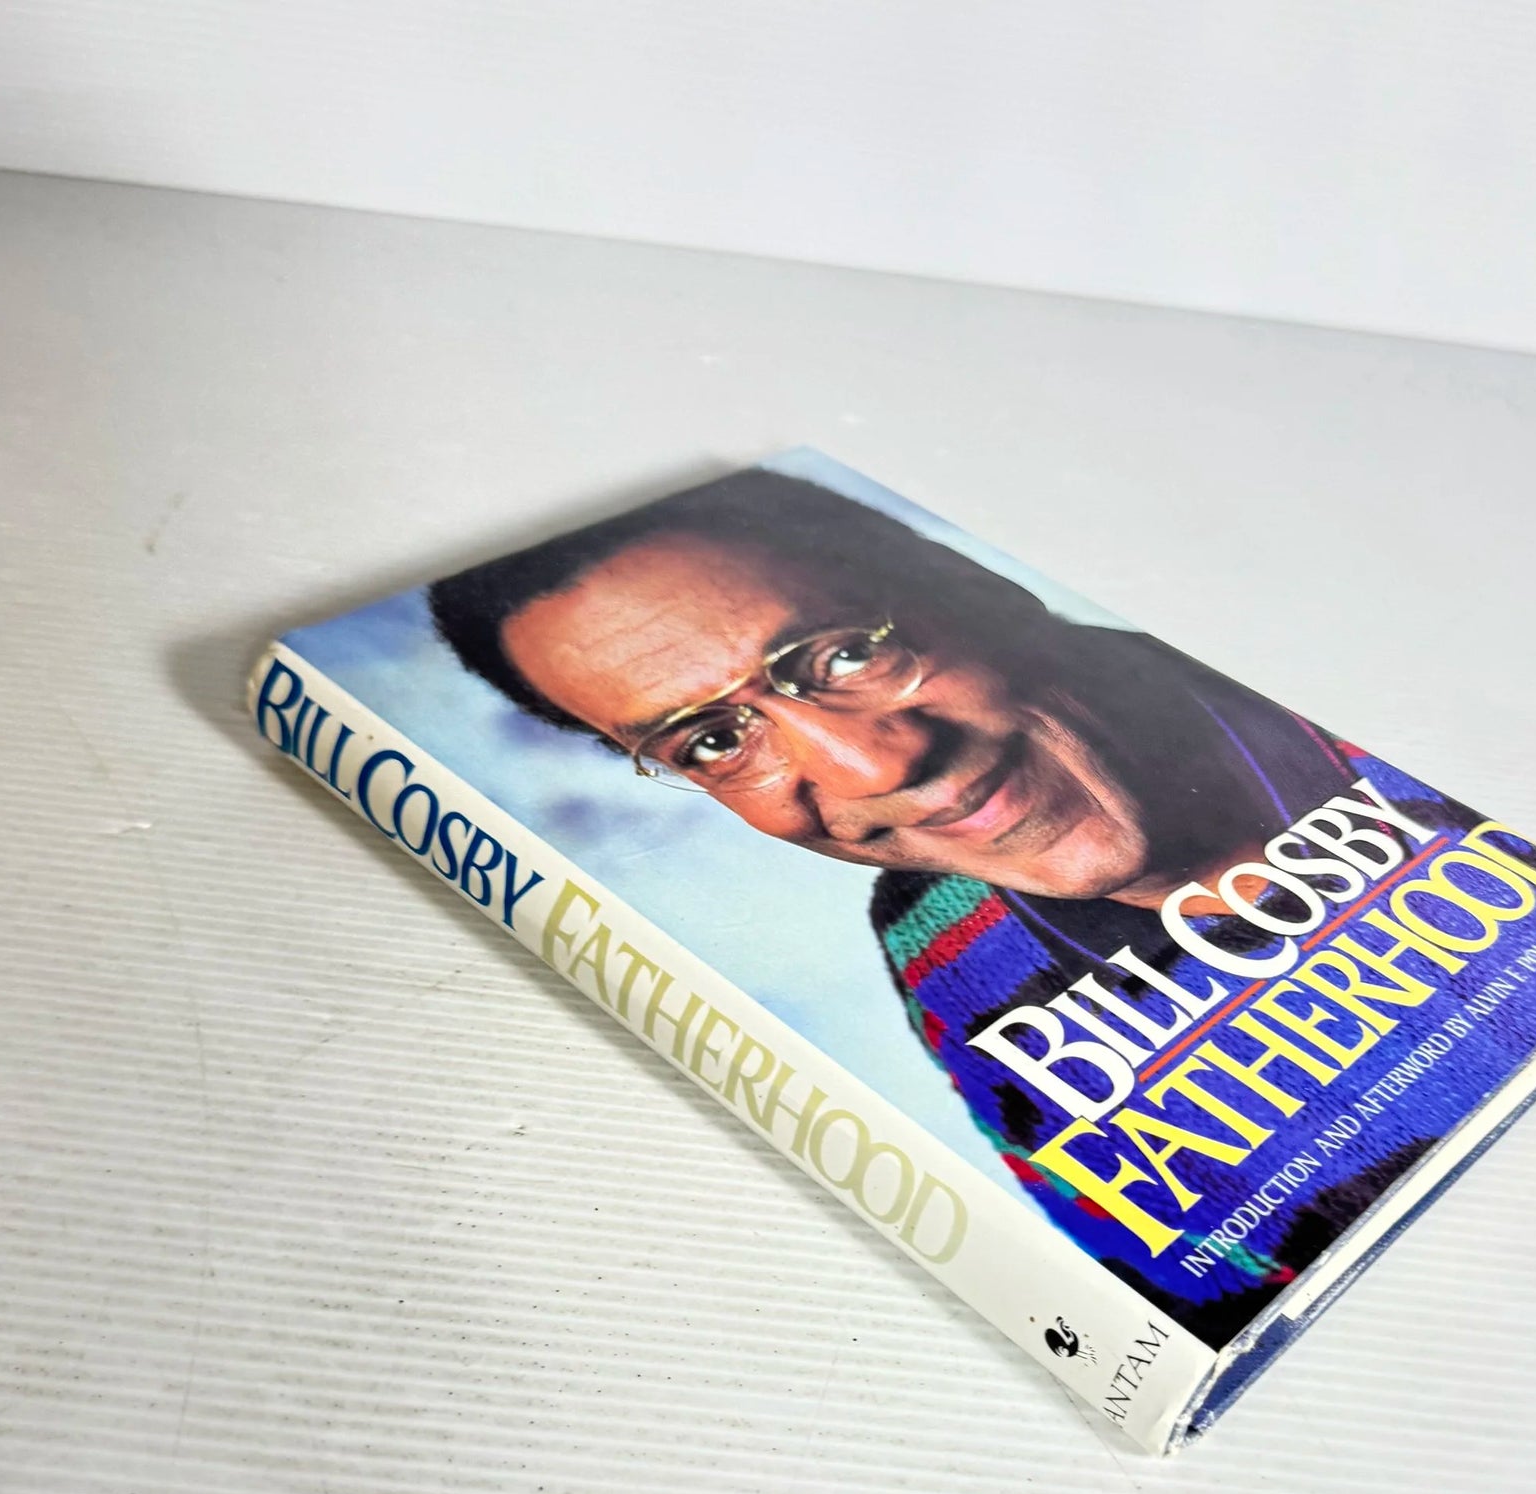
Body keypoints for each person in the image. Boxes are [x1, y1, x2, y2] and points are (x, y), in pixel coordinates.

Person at [429, 467, 1449, 1332]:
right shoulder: (948, 952)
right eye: (712, 741)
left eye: (842, 653)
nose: (873, 768)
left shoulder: (1361, 697)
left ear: (971, 586)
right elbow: (1195, 1299)